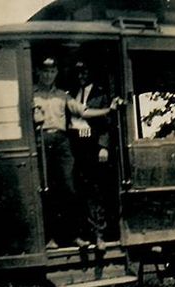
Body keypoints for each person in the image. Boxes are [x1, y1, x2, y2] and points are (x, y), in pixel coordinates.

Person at [32, 57, 119, 249]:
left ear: (56, 74)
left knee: (70, 189)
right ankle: (51, 238)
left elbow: (85, 112)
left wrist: (108, 110)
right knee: (47, 190)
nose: (48, 75)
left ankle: (76, 236)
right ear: (39, 72)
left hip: (64, 143)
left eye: (52, 71)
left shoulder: (64, 95)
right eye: (45, 71)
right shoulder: (31, 94)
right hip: (42, 141)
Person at [68, 61, 112, 250]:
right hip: (75, 148)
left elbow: (106, 124)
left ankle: (99, 236)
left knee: (95, 192)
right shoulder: (71, 94)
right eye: (78, 72)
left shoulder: (101, 95)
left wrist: (104, 147)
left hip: (93, 148)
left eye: (85, 71)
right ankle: (81, 235)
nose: (81, 76)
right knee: (78, 191)